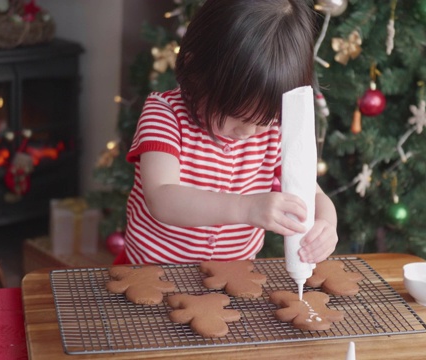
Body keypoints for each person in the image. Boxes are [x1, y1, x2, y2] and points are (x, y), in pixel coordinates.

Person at [117, 0, 338, 265]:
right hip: (152, 273)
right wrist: (246, 208)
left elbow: (312, 194)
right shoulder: (164, 114)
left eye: (266, 120)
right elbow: (162, 198)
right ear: (196, 71)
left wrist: (326, 223)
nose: (248, 132)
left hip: (231, 278)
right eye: (238, 117)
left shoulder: (273, 131)